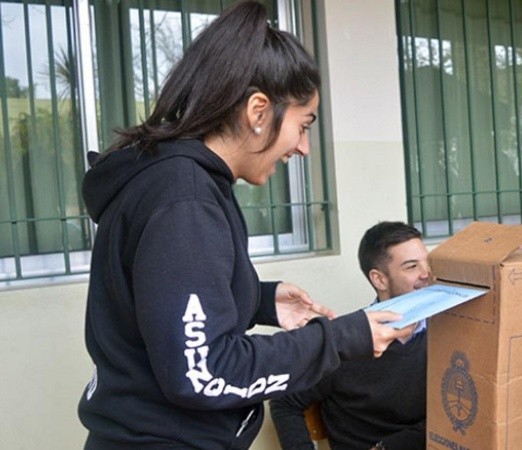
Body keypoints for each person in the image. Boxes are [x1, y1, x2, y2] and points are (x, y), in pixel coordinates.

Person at [77, 4, 412, 449]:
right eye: (303, 125)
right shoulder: (185, 201)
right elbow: (205, 373)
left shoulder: (175, 180)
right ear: (258, 111)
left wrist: (259, 299)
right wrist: (342, 337)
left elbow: (165, 298)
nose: (304, 147)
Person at [270, 221, 429, 450]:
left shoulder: (446, 333)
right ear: (379, 279)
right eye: (412, 266)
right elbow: (285, 402)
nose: (427, 274)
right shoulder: (344, 341)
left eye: (427, 262)